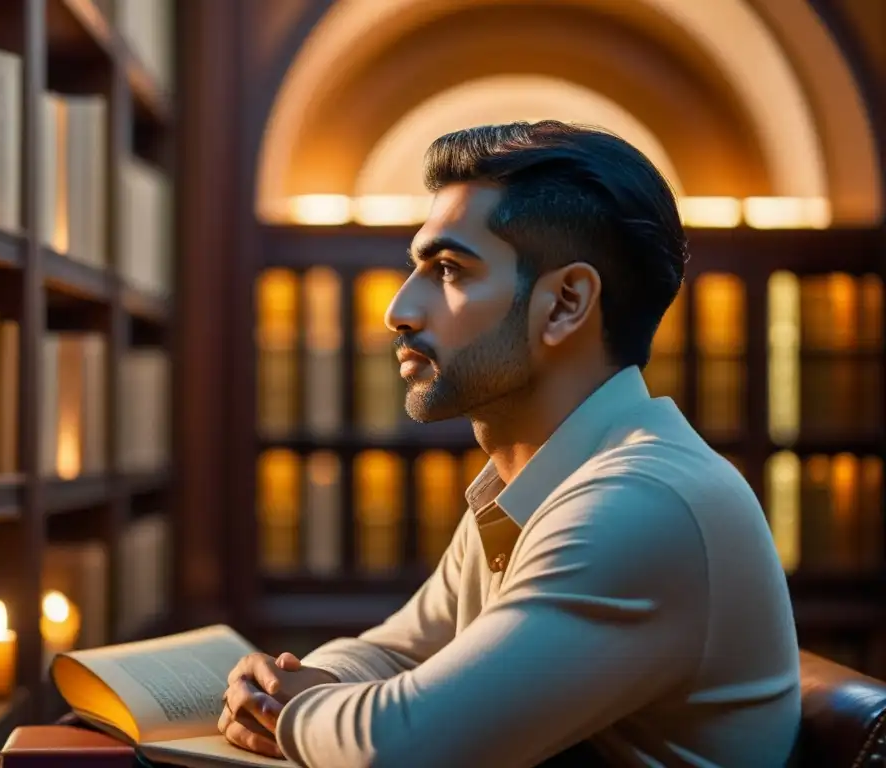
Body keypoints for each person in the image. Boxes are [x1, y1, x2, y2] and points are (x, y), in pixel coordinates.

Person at [218, 120, 801, 767]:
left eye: (447, 269)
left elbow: (400, 748)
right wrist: (300, 681)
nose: (399, 311)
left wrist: (285, 708)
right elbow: (397, 651)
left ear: (565, 304)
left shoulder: (640, 503)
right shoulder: (537, 485)